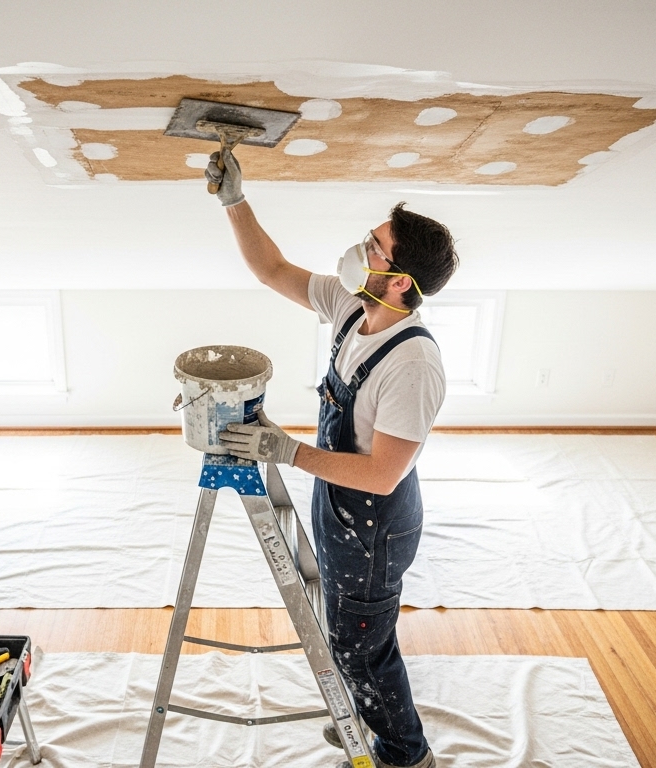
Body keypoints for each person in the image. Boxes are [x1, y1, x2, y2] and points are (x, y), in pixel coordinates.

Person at [209, 149, 457, 768]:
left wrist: (287, 449)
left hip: (375, 523)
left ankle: (405, 754)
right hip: (339, 500)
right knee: (344, 625)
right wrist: (234, 200)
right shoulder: (354, 309)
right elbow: (271, 269)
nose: (360, 250)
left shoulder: (413, 364)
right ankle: (360, 720)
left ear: (401, 280)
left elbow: (381, 473)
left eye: (374, 247)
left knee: (362, 646)